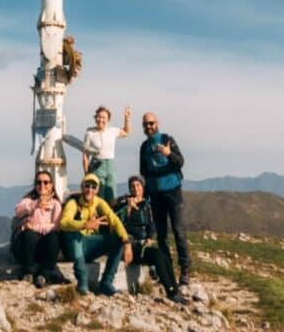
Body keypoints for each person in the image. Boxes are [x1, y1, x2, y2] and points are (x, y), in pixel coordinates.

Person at [115, 175, 187, 304]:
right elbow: (116, 218)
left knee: (164, 256)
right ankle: (171, 292)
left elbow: (151, 226)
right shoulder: (125, 202)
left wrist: (149, 237)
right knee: (158, 256)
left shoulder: (146, 205)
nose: (135, 188)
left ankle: (175, 290)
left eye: (138, 185)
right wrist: (127, 208)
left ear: (143, 188)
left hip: (143, 244)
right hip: (129, 246)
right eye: (132, 186)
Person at [139, 111, 191, 286]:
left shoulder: (168, 139)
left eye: (151, 123)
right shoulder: (144, 147)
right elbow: (144, 173)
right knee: (161, 236)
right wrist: (143, 197)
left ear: (157, 123)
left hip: (173, 192)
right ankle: (167, 269)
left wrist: (169, 153)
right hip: (155, 195)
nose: (149, 127)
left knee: (178, 230)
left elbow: (180, 162)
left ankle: (185, 270)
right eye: (146, 124)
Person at [60, 172, 133, 296]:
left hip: (89, 247)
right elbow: (64, 222)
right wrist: (84, 224)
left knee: (118, 239)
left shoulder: (98, 202)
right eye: (87, 186)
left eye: (94, 187)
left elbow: (113, 219)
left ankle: (106, 283)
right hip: (74, 248)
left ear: (97, 189)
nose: (90, 190)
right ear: (82, 187)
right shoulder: (73, 203)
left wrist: (127, 243)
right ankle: (82, 282)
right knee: (75, 235)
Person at [11, 169, 65, 287]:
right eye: (39, 182)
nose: (42, 185)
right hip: (27, 247)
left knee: (53, 237)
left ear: (51, 185)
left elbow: (56, 226)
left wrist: (34, 227)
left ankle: (44, 275)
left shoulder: (56, 204)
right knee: (28, 234)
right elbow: (18, 211)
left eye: (46, 182)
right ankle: (28, 272)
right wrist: (35, 204)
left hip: (46, 246)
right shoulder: (29, 200)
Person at [82, 104, 131, 202]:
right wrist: (86, 174)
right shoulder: (90, 133)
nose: (101, 120)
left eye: (104, 117)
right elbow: (85, 156)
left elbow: (126, 132)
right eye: (99, 117)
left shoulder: (112, 131)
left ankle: (109, 216)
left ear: (108, 120)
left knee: (111, 195)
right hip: (97, 166)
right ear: (95, 118)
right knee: (98, 197)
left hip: (110, 166)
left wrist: (126, 118)